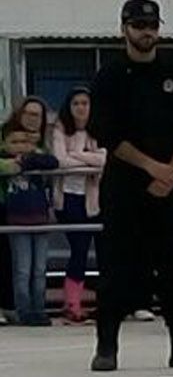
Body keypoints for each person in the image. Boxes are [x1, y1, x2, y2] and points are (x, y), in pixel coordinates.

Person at [89, 0, 173, 372]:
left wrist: (171, 171)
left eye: (152, 25)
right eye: (139, 25)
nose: (147, 32)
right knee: (116, 268)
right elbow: (107, 132)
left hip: (169, 189)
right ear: (123, 28)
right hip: (124, 188)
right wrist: (151, 167)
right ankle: (106, 347)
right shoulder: (108, 76)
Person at [49, 89, 104, 323]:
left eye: (85, 103)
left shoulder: (100, 130)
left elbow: (104, 159)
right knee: (79, 248)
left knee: (102, 249)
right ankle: (72, 303)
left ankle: (106, 301)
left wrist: (77, 155)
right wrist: (88, 158)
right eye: (76, 103)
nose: (81, 108)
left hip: (93, 198)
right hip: (68, 198)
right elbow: (60, 160)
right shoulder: (60, 130)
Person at [2, 124, 58, 325]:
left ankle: (40, 309)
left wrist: (28, 159)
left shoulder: (38, 159)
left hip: (41, 220)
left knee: (39, 269)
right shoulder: (5, 162)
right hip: (17, 221)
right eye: (14, 142)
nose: (19, 146)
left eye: (24, 142)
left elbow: (53, 162)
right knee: (22, 269)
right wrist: (14, 165)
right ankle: (24, 311)